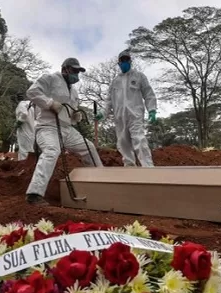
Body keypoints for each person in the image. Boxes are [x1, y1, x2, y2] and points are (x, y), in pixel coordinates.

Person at [25, 57, 103, 206]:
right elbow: (32, 92)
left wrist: (75, 116)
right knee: (51, 151)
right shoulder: (49, 78)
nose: (76, 75)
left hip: (67, 129)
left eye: (78, 72)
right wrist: (49, 103)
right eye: (74, 71)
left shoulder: (74, 91)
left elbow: (71, 112)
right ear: (65, 69)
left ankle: (102, 181)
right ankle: (34, 194)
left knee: (89, 148)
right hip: (48, 127)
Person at [96, 50, 158, 167]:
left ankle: (148, 168)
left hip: (135, 115)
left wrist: (152, 110)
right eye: (122, 60)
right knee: (123, 143)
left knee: (139, 140)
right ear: (118, 63)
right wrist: (102, 113)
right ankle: (129, 167)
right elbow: (108, 101)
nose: (124, 62)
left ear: (130, 61)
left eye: (126, 60)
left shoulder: (139, 76)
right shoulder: (115, 82)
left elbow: (148, 93)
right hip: (120, 117)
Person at [14, 95, 37, 161]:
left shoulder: (21, 104)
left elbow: (24, 114)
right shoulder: (30, 107)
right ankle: (30, 165)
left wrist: (18, 122)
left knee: (24, 149)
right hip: (30, 131)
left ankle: (23, 165)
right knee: (29, 149)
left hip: (24, 131)